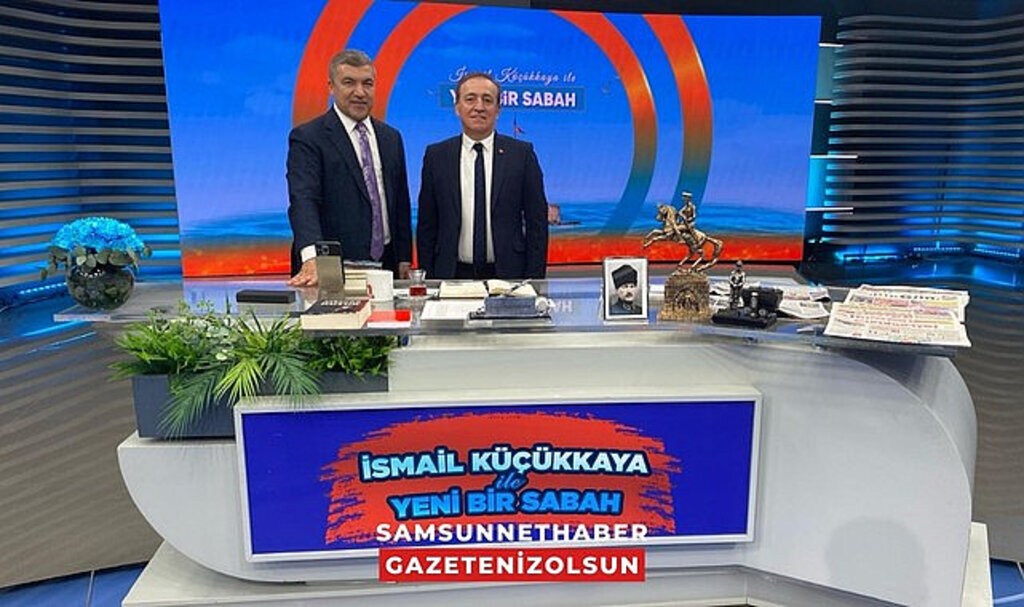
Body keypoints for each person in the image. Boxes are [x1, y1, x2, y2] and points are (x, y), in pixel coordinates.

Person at [286, 49, 412, 287]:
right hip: (331, 268)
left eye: (367, 84)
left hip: (387, 265)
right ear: (331, 87)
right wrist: (312, 257)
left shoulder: (391, 138)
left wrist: (404, 257)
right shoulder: (308, 137)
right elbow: (303, 200)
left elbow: (400, 203)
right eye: (349, 83)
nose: (360, 92)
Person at [416, 72, 548, 280]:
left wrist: (534, 279)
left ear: (498, 110)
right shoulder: (436, 156)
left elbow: (537, 223)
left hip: (509, 276)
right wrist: (429, 279)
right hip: (451, 275)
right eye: (470, 99)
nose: (479, 107)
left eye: (487, 100)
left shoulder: (521, 155)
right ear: (457, 107)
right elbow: (427, 225)